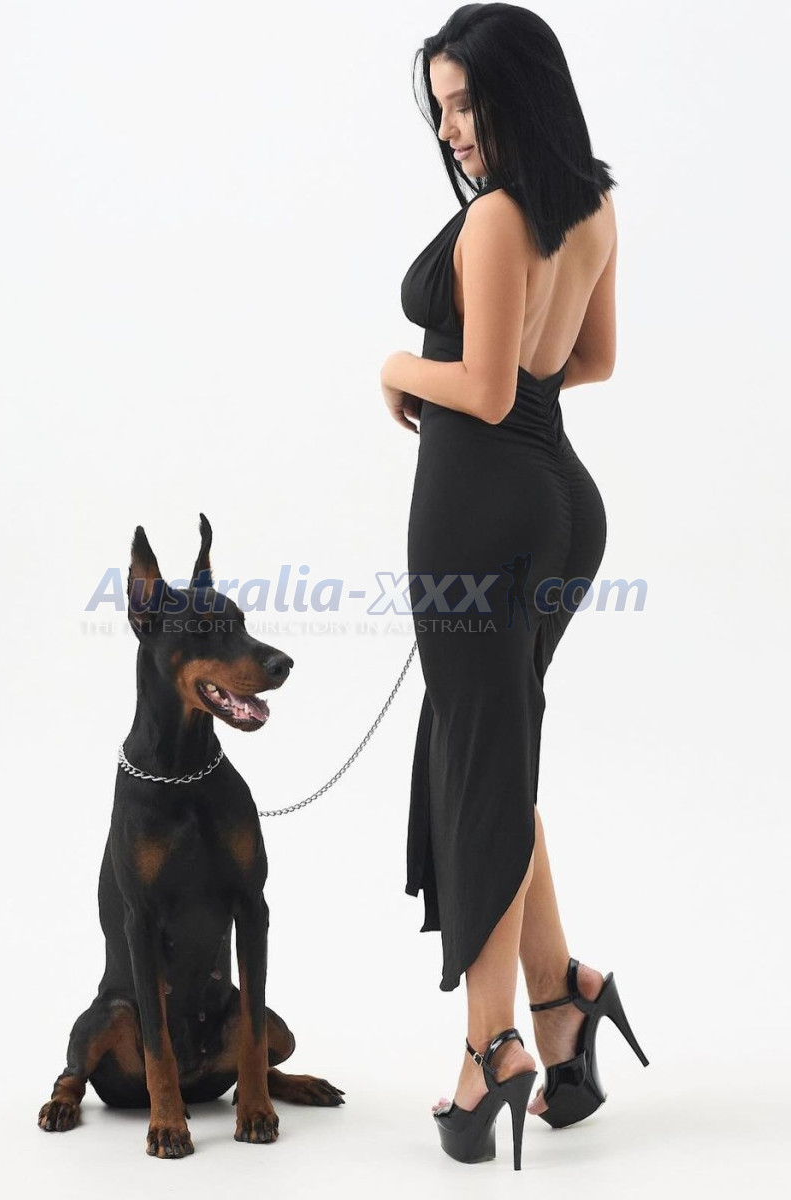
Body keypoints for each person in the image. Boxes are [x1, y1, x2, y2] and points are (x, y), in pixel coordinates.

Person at [380, 3, 647, 1168]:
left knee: (478, 768)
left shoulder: (494, 220)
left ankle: (490, 1049)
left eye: (465, 103)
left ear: (517, 93)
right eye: (440, 109)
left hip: (479, 514)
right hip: (559, 507)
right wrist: (512, 365)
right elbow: (590, 360)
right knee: (495, 754)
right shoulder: (592, 209)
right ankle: (561, 996)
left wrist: (399, 366)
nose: (451, 130)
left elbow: (483, 391)